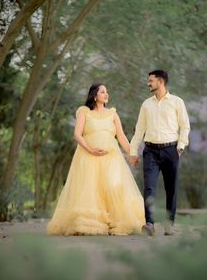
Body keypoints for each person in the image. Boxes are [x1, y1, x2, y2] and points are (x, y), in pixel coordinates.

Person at [47, 84, 145, 236]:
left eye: (107, 91)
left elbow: (121, 136)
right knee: (90, 189)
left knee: (112, 186)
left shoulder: (113, 114)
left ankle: (114, 222)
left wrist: (132, 153)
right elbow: (77, 134)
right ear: (94, 95)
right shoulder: (84, 112)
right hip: (88, 156)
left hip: (111, 157)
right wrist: (91, 149)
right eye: (103, 91)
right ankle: (91, 224)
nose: (106, 94)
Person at [130, 70, 190, 236]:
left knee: (171, 188)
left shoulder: (177, 102)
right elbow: (139, 130)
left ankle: (169, 223)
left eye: (151, 80)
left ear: (161, 82)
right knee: (149, 187)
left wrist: (181, 146)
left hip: (171, 150)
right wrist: (133, 151)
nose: (148, 83)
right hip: (150, 151)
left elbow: (185, 126)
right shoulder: (146, 104)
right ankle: (149, 223)